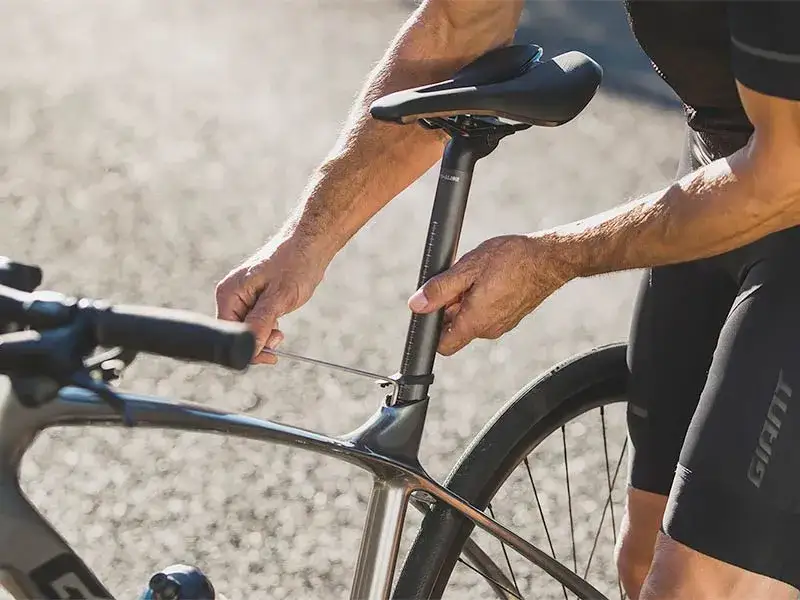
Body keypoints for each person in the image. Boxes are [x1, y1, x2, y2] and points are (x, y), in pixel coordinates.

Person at [215, 1, 800, 598]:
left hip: (784, 181)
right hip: (725, 158)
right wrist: (304, 242)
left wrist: (555, 257)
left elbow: (782, 179)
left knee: (699, 588)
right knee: (645, 565)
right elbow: (459, 25)